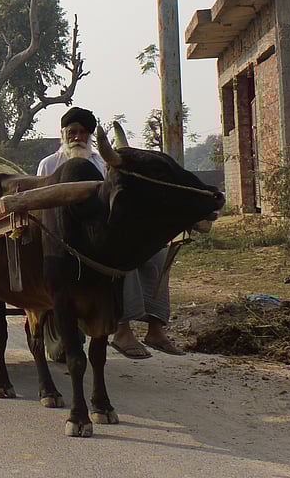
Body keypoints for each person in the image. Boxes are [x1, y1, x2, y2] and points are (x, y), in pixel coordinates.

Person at [36, 106, 184, 360]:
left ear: (91, 136)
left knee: (157, 255)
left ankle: (155, 328)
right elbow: (41, 206)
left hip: (103, 230)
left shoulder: (103, 162)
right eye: (72, 132)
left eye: (83, 132)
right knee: (121, 262)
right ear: (63, 134)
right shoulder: (49, 164)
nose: (77, 137)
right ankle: (123, 330)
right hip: (66, 239)